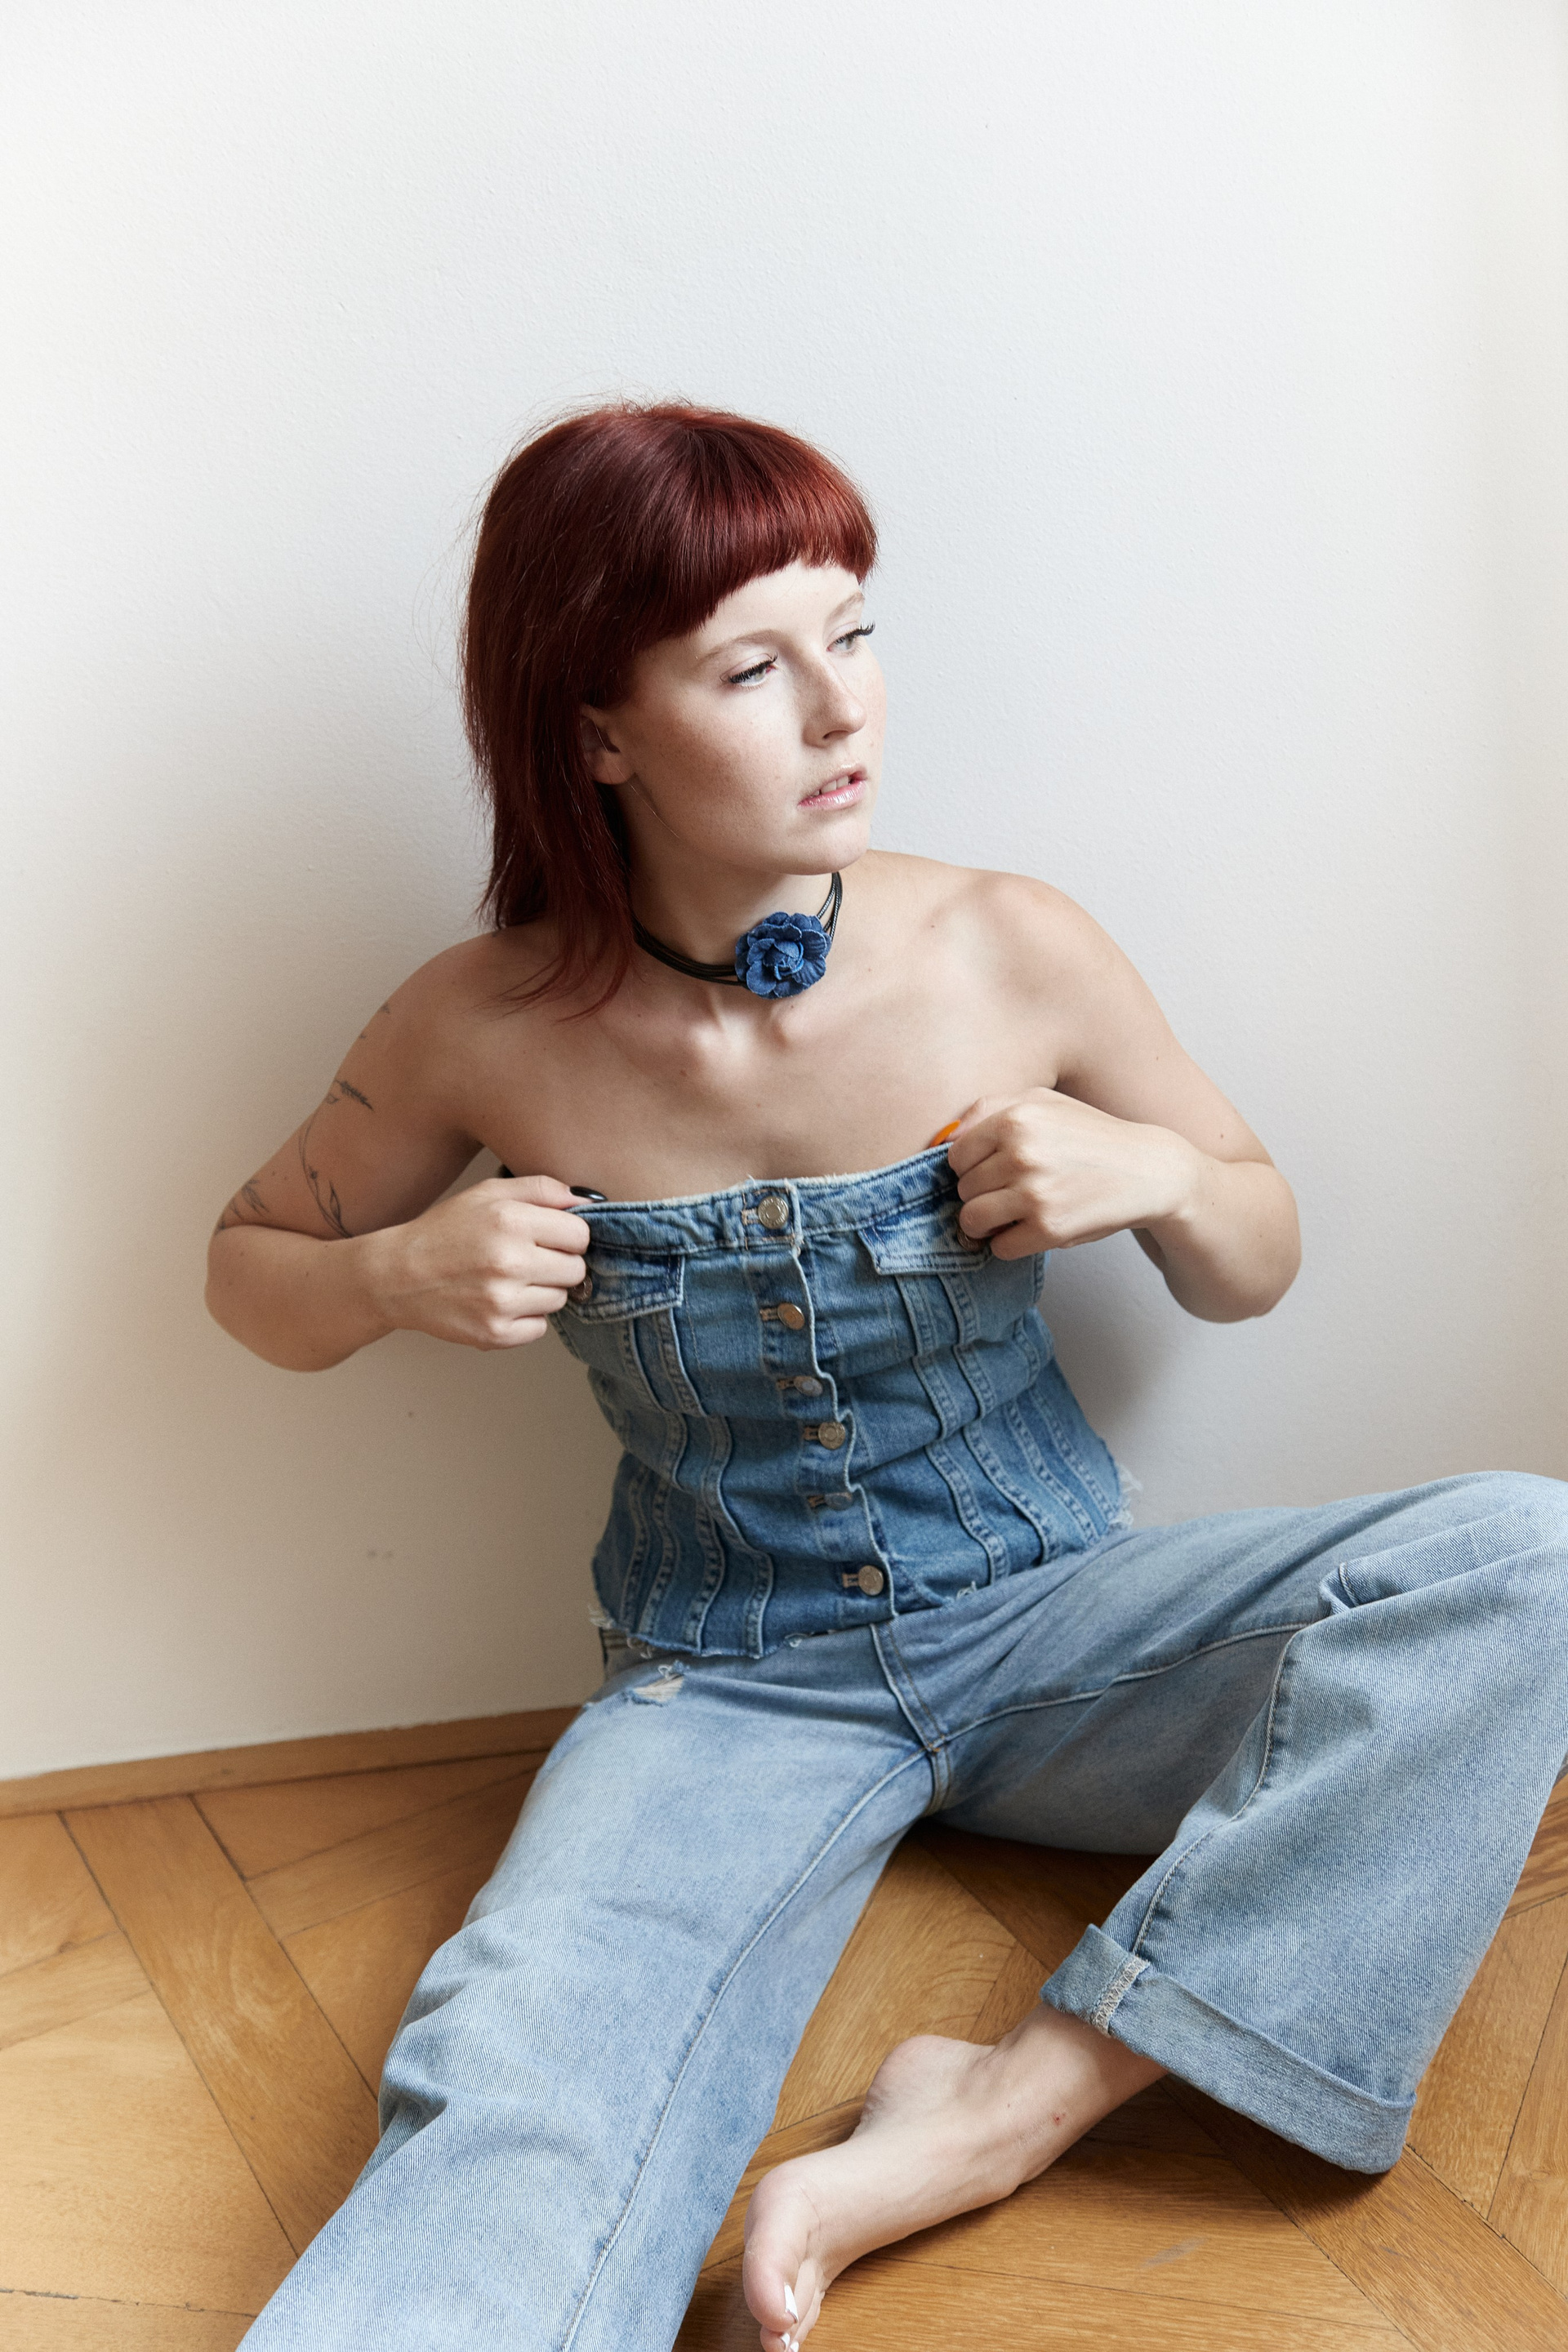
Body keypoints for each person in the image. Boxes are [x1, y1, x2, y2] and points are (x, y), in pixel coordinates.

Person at [209, 403, 1568, 2352]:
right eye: (751, 668)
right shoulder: (476, 1028)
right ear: (597, 732)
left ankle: (1000, 2113)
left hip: (1065, 1628)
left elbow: (1257, 1255)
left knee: (1529, 1558)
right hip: (724, 1687)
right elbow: (247, 1269)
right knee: (524, 2065)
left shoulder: (1010, 942)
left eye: (852, 633)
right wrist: (390, 1274)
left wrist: (1161, 1179)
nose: (843, 708)